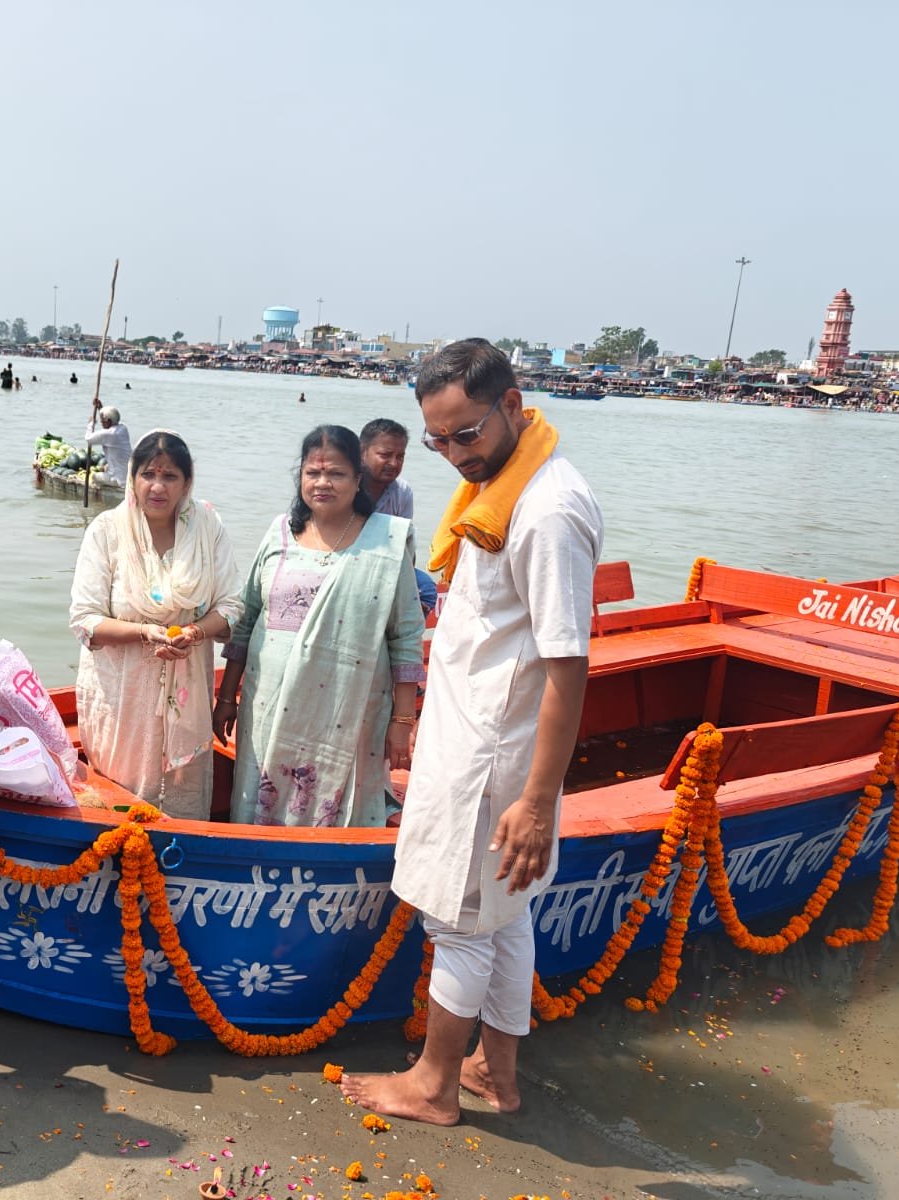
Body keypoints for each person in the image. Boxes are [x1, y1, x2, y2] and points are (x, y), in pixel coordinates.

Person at [341, 339, 602, 1124]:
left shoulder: (547, 510)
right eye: (439, 439)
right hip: (479, 740)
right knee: (505, 918)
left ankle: (434, 1084)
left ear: (514, 407)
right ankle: (497, 1072)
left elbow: (568, 668)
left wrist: (537, 799)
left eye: (468, 435)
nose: (455, 454)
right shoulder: (505, 489)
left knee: (458, 921)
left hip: (496, 758)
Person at [213, 425, 424, 827]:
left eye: (336, 474)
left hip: (349, 714)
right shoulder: (279, 532)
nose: (323, 483)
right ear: (301, 477)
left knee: (338, 812)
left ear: (358, 479)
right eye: (313, 473)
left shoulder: (387, 542)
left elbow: (406, 636)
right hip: (268, 706)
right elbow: (247, 622)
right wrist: (226, 698)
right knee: (261, 805)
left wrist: (402, 721)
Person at [69, 430, 242, 818]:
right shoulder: (107, 531)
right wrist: (145, 633)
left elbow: (232, 606)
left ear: (187, 482)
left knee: (183, 803)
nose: (158, 487)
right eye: (149, 474)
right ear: (133, 477)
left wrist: (197, 631)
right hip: (122, 694)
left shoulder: (208, 527)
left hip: (189, 690)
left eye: (170, 477)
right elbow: (85, 620)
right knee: (122, 803)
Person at [360, 418, 414, 519]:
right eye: (385, 455)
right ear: (362, 453)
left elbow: (404, 533)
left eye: (400, 457)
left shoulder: (402, 492)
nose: (394, 464)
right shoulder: (346, 489)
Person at [87, 400, 132, 487]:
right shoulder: (122, 428)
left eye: (102, 421)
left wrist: (90, 424)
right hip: (128, 476)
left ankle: (99, 495)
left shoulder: (110, 434)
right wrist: (100, 408)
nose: (101, 422)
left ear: (109, 421)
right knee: (105, 467)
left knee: (94, 477)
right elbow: (109, 418)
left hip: (119, 480)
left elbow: (88, 439)